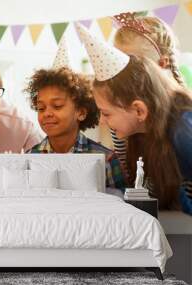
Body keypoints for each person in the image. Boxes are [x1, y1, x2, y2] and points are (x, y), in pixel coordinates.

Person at [93, 55, 192, 214]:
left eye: (106, 113)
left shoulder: (184, 132)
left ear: (139, 110)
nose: (101, 122)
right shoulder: (143, 136)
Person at [109, 13, 186, 181]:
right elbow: (128, 175)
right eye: (117, 61)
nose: (120, 72)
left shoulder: (183, 121)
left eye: (131, 63)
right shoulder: (120, 115)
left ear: (162, 64)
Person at [25, 67, 126, 190]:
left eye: (57, 106)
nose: (47, 113)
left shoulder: (105, 159)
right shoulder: (29, 158)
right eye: (41, 108)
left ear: (81, 113)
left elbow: (119, 205)